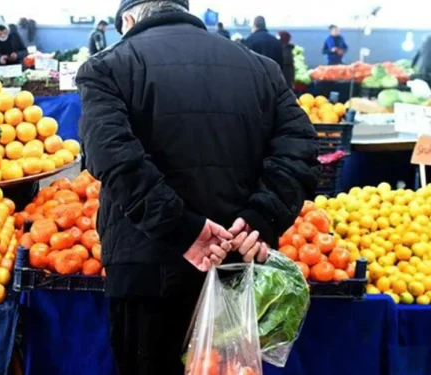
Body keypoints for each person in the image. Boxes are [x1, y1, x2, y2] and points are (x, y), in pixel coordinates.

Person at [76, 0, 320, 373]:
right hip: (235, 265)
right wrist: (260, 218)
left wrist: (181, 228)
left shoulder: (108, 66)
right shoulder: (261, 68)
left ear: (128, 19)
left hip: (146, 272)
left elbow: (112, 157)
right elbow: (301, 147)